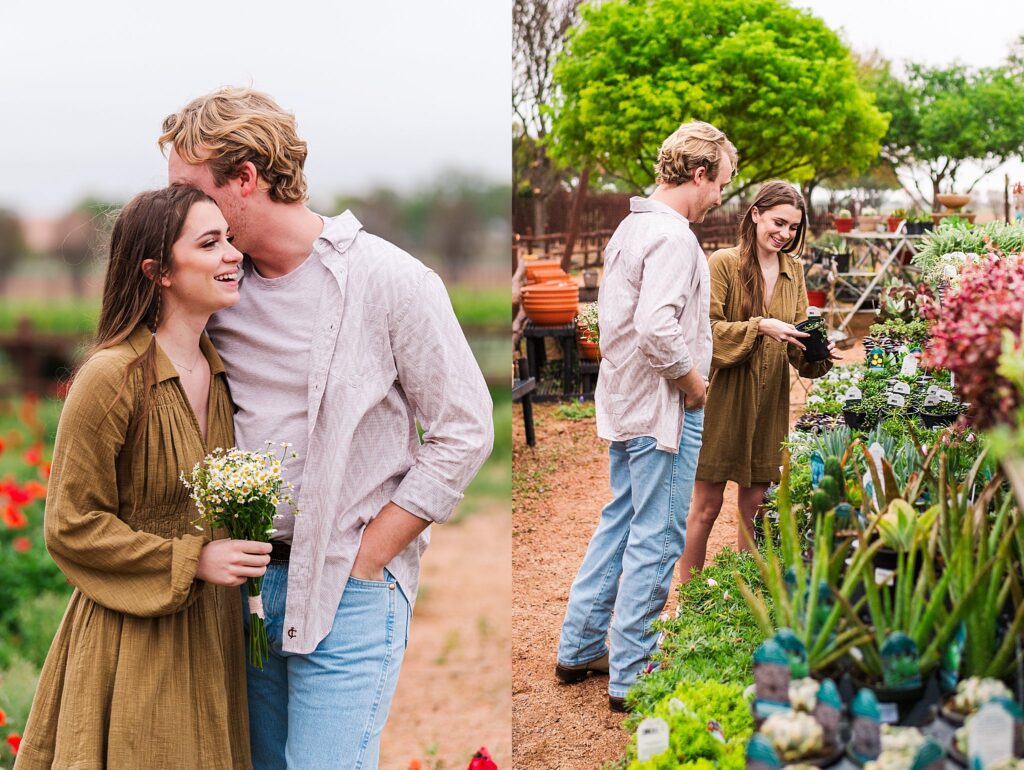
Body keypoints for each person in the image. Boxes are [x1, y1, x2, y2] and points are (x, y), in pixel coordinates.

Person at [160, 87, 494, 770]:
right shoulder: (218, 288)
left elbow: (466, 427)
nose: (175, 210)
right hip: (241, 591)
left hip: (350, 590)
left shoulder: (390, 281)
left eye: (188, 190)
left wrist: (372, 555)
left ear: (245, 180)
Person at [15, 186, 272, 770]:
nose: (233, 254)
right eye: (210, 243)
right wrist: (193, 561)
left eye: (229, 239)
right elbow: (69, 526)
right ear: (157, 271)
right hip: (131, 642)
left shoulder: (223, 374)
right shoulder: (109, 378)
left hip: (212, 634)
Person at [555, 121, 737, 712]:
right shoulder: (676, 239)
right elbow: (658, 327)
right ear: (699, 172)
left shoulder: (631, 228)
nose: (719, 199)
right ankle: (633, 673)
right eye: (720, 185)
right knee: (657, 536)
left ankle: (580, 646)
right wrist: (694, 385)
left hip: (626, 401)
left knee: (620, 522)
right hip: (663, 409)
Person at [677, 181, 838, 583]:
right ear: (755, 215)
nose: (784, 234)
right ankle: (691, 602)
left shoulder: (793, 271)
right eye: (778, 222)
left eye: (793, 228)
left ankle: (739, 601)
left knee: (754, 511)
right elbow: (707, 332)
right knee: (706, 507)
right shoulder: (724, 264)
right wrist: (760, 326)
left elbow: (796, 342)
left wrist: (817, 351)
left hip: (770, 401)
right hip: (724, 399)